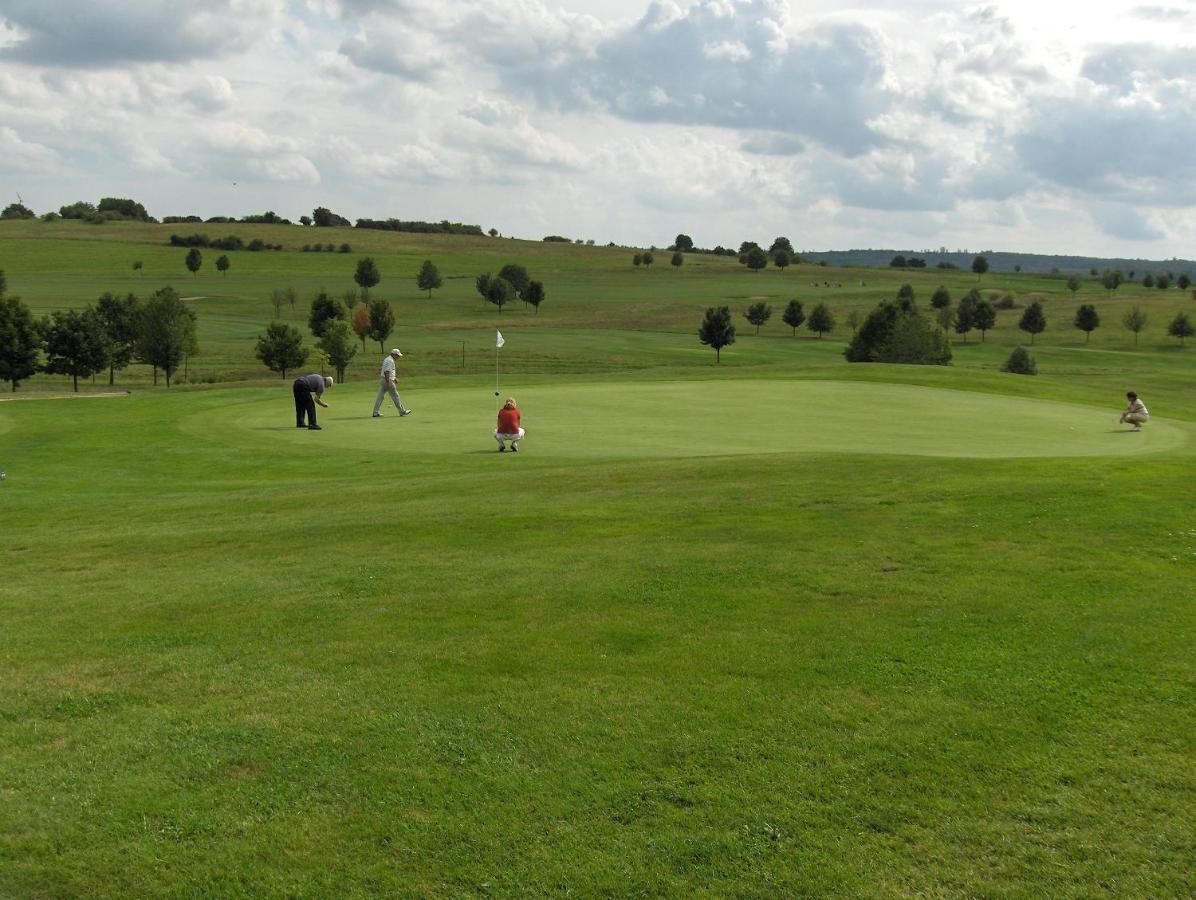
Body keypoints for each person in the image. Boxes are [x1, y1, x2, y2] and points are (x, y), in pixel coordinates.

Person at [372, 348, 411, 418]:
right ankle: (402, 411)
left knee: (380, 396)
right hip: (387, 380)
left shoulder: (388, 359)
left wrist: (394, 378)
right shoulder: (390, 361)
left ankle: (375, 412)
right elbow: (387, 372)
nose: (399, 357)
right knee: (395, 396)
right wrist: (388, 382)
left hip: (384, 379)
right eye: (397, 355)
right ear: (394, 354)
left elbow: (389, 371)